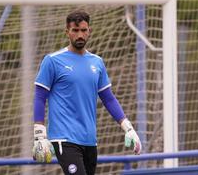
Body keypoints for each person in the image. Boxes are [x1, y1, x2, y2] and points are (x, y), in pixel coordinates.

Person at [32, 10, 142, 175]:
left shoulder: (97, 63)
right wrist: (39, 133)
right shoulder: (52, 61)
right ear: (67, 32)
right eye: (75, 31)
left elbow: (108, 98)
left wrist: (128, 128)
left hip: (90, 140)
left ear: (89, 31)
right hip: (64, 138)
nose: (80, 35)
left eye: (84, 30)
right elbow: (40, 97)